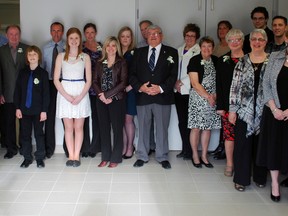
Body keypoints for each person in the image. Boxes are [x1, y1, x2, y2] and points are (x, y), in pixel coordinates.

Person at [130, 25, 178, 169]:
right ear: (146, 36)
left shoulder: (171, 52)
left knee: (162, 128)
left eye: (156, 33)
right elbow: (132, 75)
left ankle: (162, 156)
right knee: (143, 127)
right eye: (150, 33)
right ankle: (142, 156)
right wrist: (141, 87)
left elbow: (173, 75)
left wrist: (161, 88)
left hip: (162, 97)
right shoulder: (138, 52)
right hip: (143, 97)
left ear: (161, 35)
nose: (153, 36)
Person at [229, 29, 269, 192]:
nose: (257, 42)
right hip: (244, 111)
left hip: (266, 110)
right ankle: (241, 179)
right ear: (250, 41)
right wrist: (232, 110)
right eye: (254, 39)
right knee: (243, 146)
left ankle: (260, 177)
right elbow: (234, 87)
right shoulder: (242, 61)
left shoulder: (272, 61)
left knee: (261, 145)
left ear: (265, 42)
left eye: (260, 39)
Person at [257, 30, 288, 202]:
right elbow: (266, 84)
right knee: (274, 149)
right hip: (274, 111)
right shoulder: (276, 56)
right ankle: (275, 184)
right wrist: (275, 109)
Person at [54, 27, 91, 167]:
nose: (74, 41)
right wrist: (67, 96)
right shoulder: (60, 56)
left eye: (76, 38)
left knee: (79, 127)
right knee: (68, 128)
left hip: (81, 92)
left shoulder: (85, 57)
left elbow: (89, 80)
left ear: (80, 40)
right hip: (65, 93)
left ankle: (77, 155)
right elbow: (56, 79)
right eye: (71, 38)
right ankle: (71, 156)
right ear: (67, 40)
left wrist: (80, 96)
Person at [93, 36, 127, 168]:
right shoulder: (99, 62)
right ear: (105, 47)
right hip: (101, 100)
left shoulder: (121, 62)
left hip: (116, 100)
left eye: (113, 45)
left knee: (117, 129)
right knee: (104, 129)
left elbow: (123, 82)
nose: (111, 48)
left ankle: (116, 157)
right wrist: (101, 95)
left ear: (116, 47)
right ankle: (105, 156)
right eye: (108, 45)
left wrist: (108, 95)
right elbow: (95, 81)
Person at [187, 36, 221, 169]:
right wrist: (208, 96)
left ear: (213, 48)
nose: (206, 49)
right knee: (196, 128)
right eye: (204, 46)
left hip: (213, 98)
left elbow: (220, 81)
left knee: (207, 128)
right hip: (198, 98)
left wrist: (215, 96)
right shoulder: (194, 60)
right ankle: (195, 155)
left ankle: (204, 156)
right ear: (200, 48)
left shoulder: (217, 61)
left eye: (209, 46)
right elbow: (195, 83)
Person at [14, 45, 49, 168]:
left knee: (39, 134)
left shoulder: (43, 74)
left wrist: (44, 110)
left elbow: (46, 94)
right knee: (25, 135)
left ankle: (40, 157)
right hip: (24, 110)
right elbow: (17, 91)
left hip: (38, 111)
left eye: (35, 54)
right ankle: (27, 158)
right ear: (27, 57)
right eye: (30, 54)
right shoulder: (22, 73)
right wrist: (17, 108)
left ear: (38, 56)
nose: (32, 56)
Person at [216, 29, 245, 176]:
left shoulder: (249, 58)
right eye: (231, 40)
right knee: (229, 136)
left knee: (244, 137)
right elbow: (219, 84)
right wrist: (220, 106)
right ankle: (229, 164)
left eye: (237, 39)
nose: (234, 42)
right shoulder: (222, 60)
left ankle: (243, 165)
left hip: (246, 106)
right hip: (227, 106)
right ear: (227, 42)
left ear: (242, 41)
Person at [0, 25, 29, 159]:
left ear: (20, 35)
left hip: (24, 94)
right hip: (7, 93)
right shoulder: (1, 51)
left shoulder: (27, 49)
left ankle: (24, 147)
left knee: (24, 123)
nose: (14, 37)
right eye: (11, 34)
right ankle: (11, 148)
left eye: (16, 34)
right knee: (9, 122)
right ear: (7, 35)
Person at [175, 23, 200, 160]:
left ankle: (191, 151)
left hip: (190, 90)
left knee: (190, 123)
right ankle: (184, 149)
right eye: (187, 35)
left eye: (192, 36)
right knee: (181, 122)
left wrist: (182, 81)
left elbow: (195, 72)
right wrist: (175, 82)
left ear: (196, 37)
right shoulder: (179, 50)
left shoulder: (198, 51)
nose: (189, 38)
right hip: (177, 91)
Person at [42, 22, 65, 158]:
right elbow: (42, 68)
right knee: (49, 118)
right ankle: (49, 149)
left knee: (66, 116)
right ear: (50, 32)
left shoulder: (67, 47)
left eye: (59, 31)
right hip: (49, 84)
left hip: (63, 84)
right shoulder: (45, 48)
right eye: (54, 31)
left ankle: (69, 148)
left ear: (62, 32)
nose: (56, 33)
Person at [211, 20, 233, 160]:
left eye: (225, 28)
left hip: (228, 87)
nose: (222, 30)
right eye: (220, 28)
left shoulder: (231, 47)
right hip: (216, 83)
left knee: (227, 118)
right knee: (220, 118)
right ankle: (221, 145)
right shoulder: (216, 47)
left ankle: (226, 147)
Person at [81, 23, 102, 158]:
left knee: (96, 118)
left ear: (95, 33)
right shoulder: (80, 47)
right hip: (82, 87)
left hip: (96, 87)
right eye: (87, 32)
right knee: (83, 118)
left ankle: (95, 147)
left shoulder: (101, 47)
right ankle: (84, 147)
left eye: (92, 32)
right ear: (84, 34)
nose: (89, 35)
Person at [118, 26, 137, 159]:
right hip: (118, 92)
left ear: (131, 39)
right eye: (123, 36)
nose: (125, 38)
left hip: (130, 91)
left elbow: (140, 73)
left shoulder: (136, 53)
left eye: (128, 36)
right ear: (119, 38)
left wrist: (130, 86)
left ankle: (130, 146)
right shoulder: (115, 52)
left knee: (128, 119)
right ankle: (123, 146)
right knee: (121, 120)